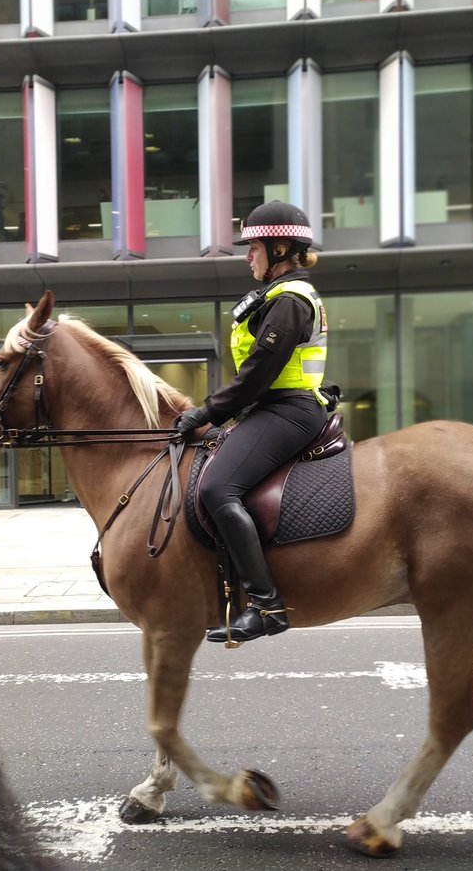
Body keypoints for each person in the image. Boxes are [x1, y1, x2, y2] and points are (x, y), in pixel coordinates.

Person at [174, 201, 329, 643]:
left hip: (288, 409)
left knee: (217, 488)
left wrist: (205, 413)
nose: (247, 256)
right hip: (272, 408)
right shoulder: (276, 297)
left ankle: (266, 605)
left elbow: (257, 375)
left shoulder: (291, 301)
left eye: (253, 247)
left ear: (279, 247)